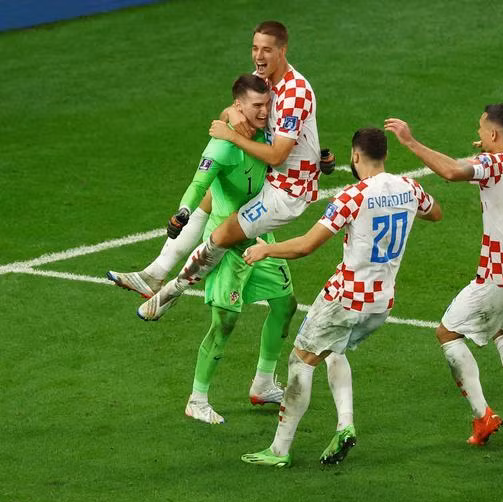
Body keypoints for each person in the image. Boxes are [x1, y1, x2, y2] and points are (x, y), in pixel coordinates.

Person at [239, 128, 442, 467]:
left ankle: (278, 451)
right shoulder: (410, 188)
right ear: (386, 155)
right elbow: (435, 212)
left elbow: (306, 245)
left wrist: (266, 249)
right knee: (334, 351)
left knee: (300, 362)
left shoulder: (352, 196)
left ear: (355, 156)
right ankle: (345, 424)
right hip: (380, 304)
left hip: (345, 299)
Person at [108, 19, 334, 300]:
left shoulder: (295, 93)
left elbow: (278, 155)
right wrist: (232, 113)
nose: (258, 56)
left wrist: (232, 136)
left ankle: (168, 295)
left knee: (222, 236)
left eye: (266, 50)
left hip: (289, 189)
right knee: (212, 195)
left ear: (282, 51)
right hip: (266, 173)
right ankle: (154, 274)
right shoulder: (261, 80)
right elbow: (235, 110)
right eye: (254, 48)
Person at [385, 106, 503, 445]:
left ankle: (483, 417)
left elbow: (453, 172)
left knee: (448, 333)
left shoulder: (493, 165)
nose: (480, 135)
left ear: (495, 135)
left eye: (482, 130)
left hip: (502, 278)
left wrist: (411, 142)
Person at [127, 74, 297, 422]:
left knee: (285, 303)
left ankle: (263, 384)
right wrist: (184, 211)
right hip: (227, 243)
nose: (265, 111)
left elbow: (289, 141)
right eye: (257, 106)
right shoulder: (221, 146)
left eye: (267, 104)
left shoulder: (267, 131)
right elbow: (199, 182)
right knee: (225, 322)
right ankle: (197, 399)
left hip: (260, 237)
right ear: (239, 106)